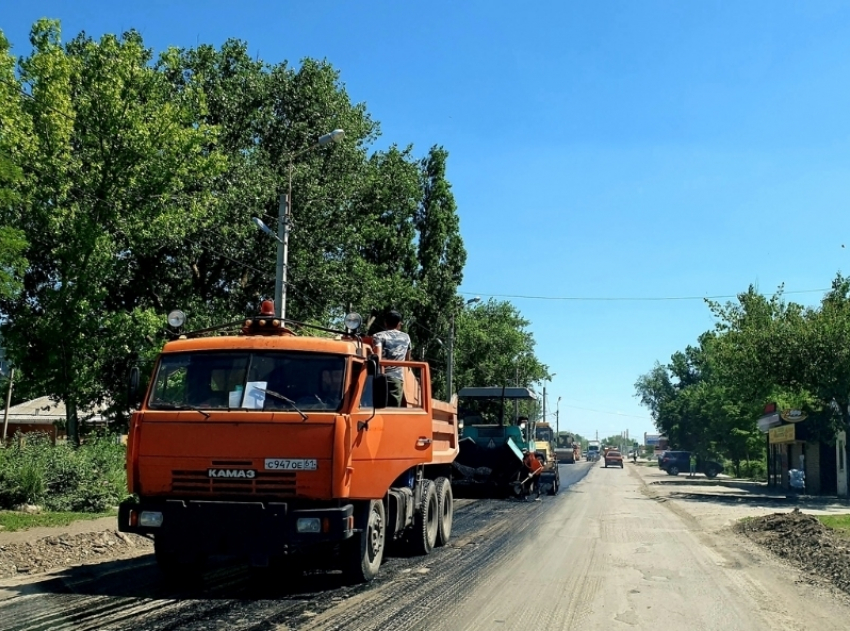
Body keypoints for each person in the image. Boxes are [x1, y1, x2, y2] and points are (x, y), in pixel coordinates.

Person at [371, 310, 412, 407]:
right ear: (399, 323)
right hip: (396, 379)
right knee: (393, 410)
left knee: (377, 408)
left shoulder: (378, 336)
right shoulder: (406, 337)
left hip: (379, 378)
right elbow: (408, 359)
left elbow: (378, 356)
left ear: (385, 323)